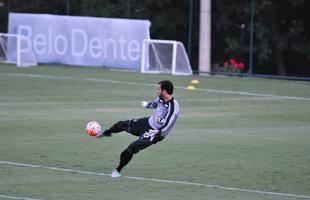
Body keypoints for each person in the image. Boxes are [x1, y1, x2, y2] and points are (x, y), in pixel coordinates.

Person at [96, 80, 180, 178]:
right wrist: (146, 105)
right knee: (121, 124)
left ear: (164, 91)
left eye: (158, 89)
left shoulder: (173, 106)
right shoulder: (161, 99)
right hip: (147, 122)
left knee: (131, 148)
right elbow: (154, 103)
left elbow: (169, 123)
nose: (157, 91)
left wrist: (159, 131)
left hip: (155, 133)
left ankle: (117, 170)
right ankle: (106, 132)